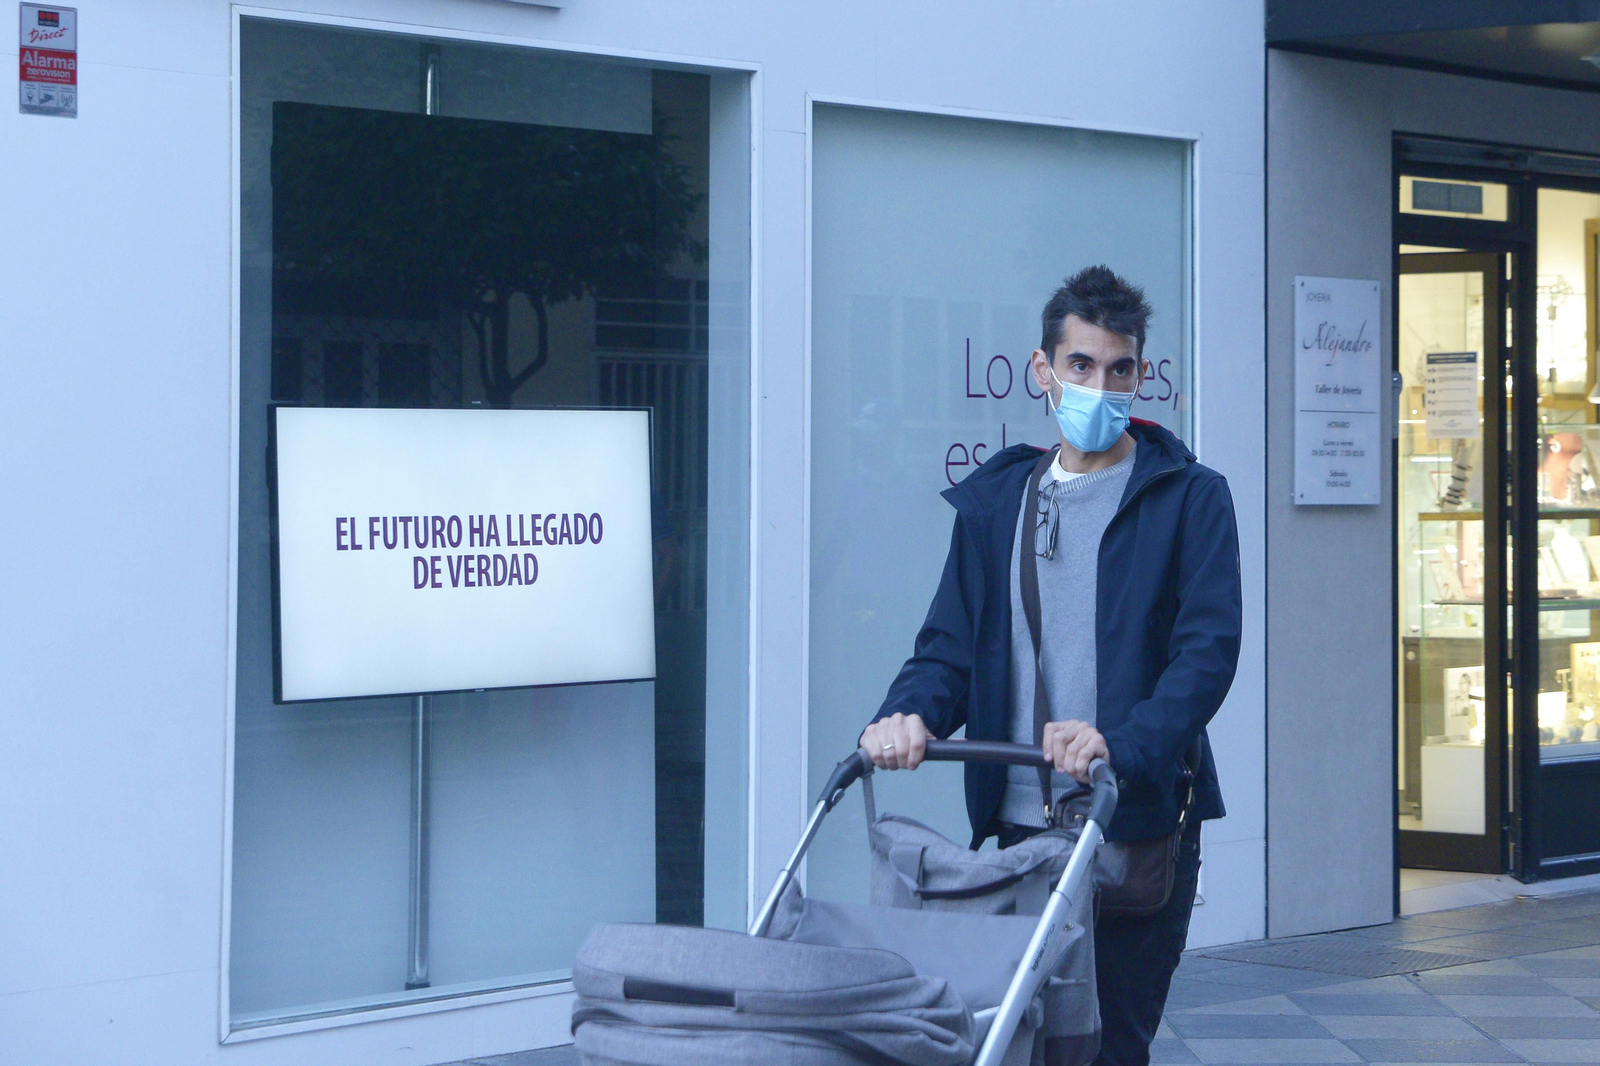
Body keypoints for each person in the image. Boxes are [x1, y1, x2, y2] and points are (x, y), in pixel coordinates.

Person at [859, 265, 1241, 1066]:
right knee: (1011, 1043)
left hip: (1129, 829)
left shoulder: (1189, 498)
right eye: (1081, 365)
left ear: (1140, 372)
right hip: (1018, 833)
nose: (1101, 387)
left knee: (1107, 1048)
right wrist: (907, 715)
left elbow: (1205, 659)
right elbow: (948, 649)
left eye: (1120, 369)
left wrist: (1120, 746)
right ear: (1043, 369)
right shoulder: (999, 503)